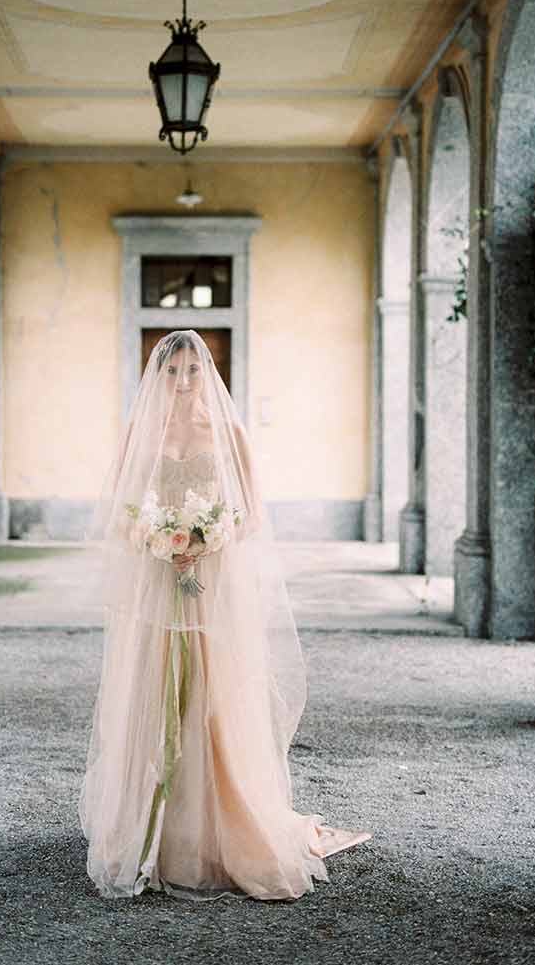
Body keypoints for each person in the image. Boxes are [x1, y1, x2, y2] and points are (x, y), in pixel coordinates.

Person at [78, 329, 371, 901]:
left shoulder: (229, 432)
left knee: (213, 696)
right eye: (172, 372)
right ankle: (150, 827)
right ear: (158, 376)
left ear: (206, 372)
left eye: (192, 370)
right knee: (156, 692)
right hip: (159, 582)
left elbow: (253, 515)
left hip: (210, 581)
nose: (184, 382)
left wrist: (207, 539)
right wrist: (156, 537)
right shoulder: (142, 432)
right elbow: (118, 511)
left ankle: (213, 829)